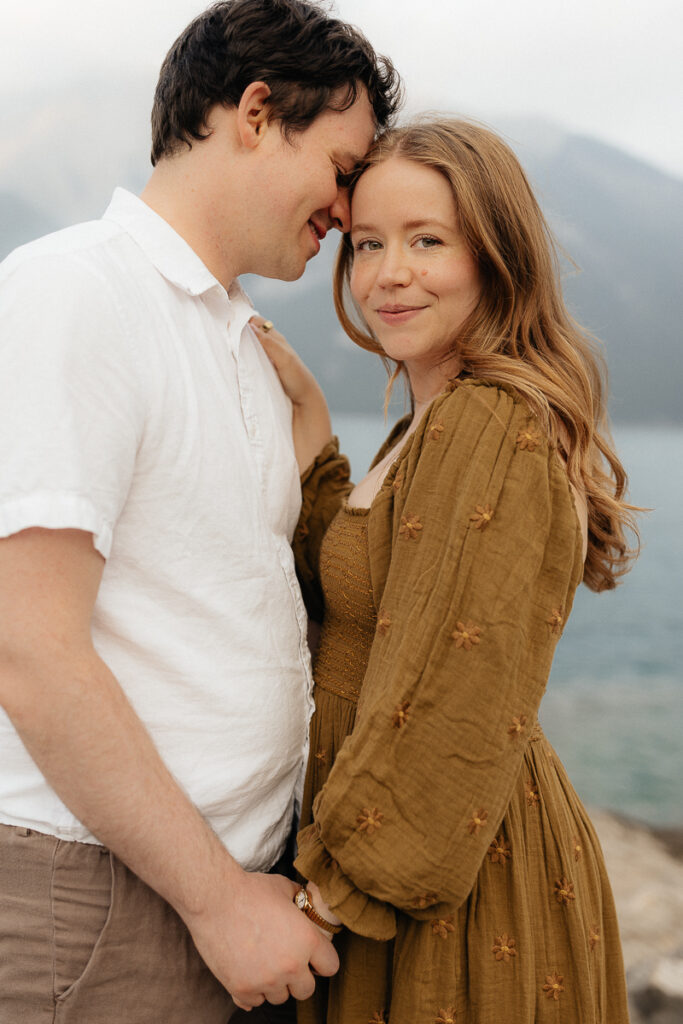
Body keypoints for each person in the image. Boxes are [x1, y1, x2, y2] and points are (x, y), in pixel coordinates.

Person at [0, 2, 401, 1021]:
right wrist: (219, 900)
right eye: (345, 168)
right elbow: (28, 647)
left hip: (217, 895)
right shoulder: (74, 293)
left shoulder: (237, 342)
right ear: (256, 112)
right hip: (108, 900)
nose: (350, 212)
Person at [258, 117, 639, 1023]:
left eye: (427, 240)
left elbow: (448, 694)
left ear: (495, 259)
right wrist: (310, 413)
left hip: (445, 888)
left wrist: (325, 897)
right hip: (412, 867)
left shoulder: (487, 422)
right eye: (367, 244)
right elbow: (359, 584)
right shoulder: (428, 423)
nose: (389, 272)